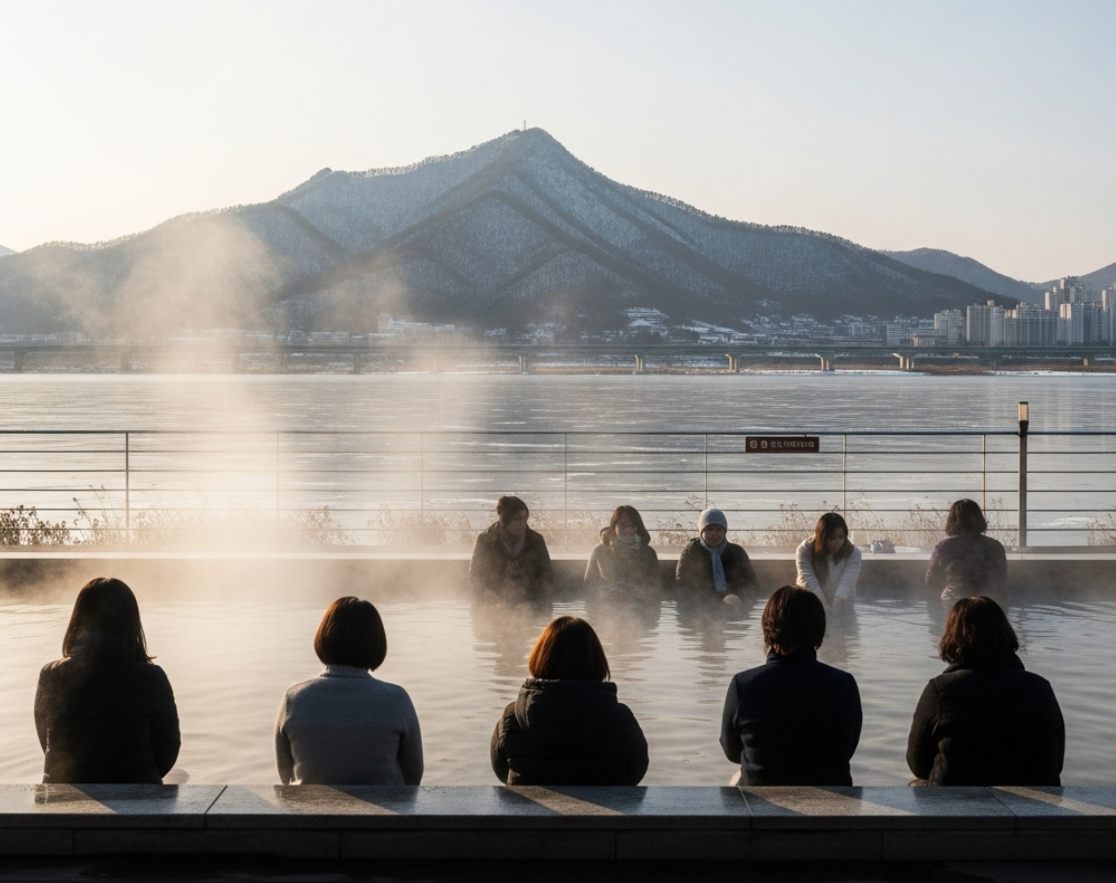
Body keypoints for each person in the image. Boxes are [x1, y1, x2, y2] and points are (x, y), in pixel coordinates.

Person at [34, 577, 180, 784]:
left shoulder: (51, 675)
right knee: (179, 777)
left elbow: (47, 742)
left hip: (62, 800)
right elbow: (168, 750)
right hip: (138, 798)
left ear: (79, 619)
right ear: (131, 622)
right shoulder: (152, 678)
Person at [907, 596, 1064, 786]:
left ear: (953, 637)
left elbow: (918, 764)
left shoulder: (940, 690)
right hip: (1038, 808)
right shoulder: (1041, 688)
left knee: (917, 783)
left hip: (956, 805)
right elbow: (1057, 762)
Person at [720, 585, 862, 785]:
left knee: (737, 777)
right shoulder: (844, 684)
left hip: (764, 802)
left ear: (768, 628)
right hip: (835, 804)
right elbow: (847, 749)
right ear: (819, 629)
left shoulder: (744, 685)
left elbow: (731, 751)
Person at [275, 597, 423, 785]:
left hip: (310, 813)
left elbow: (285, 775)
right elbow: (413, 777)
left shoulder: (294, 699)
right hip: (383, 814)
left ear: (324, 637)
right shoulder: (396, 699)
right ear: (376, 643)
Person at [490, 616, 648, 785]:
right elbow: (636, 772)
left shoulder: (512, 717)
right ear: (597, 660)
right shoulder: (622, 719)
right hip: (606, 812)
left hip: (531, 811)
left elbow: (501, 772)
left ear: (541, 656)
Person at [469, 495, 553, 604]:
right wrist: (487, 595)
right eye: (517, 519)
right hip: (494, 601)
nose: (523, 524)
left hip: (529, 601)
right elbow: (475, 574)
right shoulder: (486, 540)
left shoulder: (535, 540)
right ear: (505, 520)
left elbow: (547, 575)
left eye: (525, 518)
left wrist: (533, 598)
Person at [926, 499, 1007, 602]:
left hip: (956, 603)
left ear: (952, 521)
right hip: (992, 604)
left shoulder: (944, 548)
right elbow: (1001, 578)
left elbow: (931, 581)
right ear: (979, 519)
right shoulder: (995, 546)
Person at [675, 507, 757, 603]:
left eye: (719, 530)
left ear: (724, 532)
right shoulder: (692, 552)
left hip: (733, 603)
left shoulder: (736, 552)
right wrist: (707, 600)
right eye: (709, 529)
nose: (714, 534)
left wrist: (739, 597)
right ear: (701, 532)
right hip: (701, 604)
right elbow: (683, 583)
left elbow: (751, 583)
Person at [583, 505, 661, 600]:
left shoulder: (647, 553)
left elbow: (655, 589)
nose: (626, 529)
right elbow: (589, 587)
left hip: (638, 606)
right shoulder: (600, 552)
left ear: (637, 528)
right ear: (613, 526)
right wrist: (603, 592)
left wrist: (636, 594)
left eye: (631, 525)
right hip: (606, 606)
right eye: (622, 525)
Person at [796, 512, 862, 610]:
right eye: (832, 538)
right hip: (811, 604)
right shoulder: (805, 549)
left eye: (841, 537)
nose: (837, 542)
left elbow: (847, 581)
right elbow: (808, 580)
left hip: (843, 604)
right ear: (822, 537)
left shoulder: (853, 552)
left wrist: (836, 606)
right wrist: (823, 607)